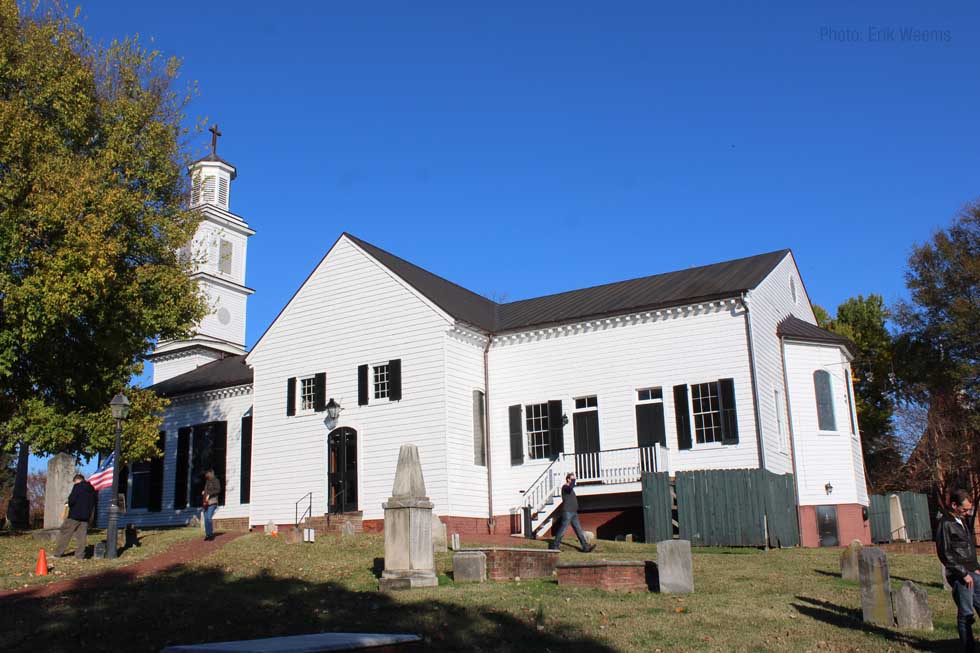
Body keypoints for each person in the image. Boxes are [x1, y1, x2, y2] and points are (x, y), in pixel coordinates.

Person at [937, 488, 980, 652]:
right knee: (966, 614)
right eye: (964, 509)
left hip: (973, 572)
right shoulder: (945, 523)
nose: (967, 512)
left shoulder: (962, 522)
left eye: (969, 509)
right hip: (961, 575)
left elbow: (968, 550)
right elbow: (945, 553)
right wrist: (962, 573)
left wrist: (976, 569)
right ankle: (969, 649)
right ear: (954, 505)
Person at [52, 473, 97, 559]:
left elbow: (72, 500)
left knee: (65, 533)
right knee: (81, 537)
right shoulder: (92, 489)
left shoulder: (77, 487)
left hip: (74, 515)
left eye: (74, 482)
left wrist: (69, 504)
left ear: (77, 480)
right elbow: (94, 503)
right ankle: (80, 555)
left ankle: (58, 553)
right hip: (86, 517)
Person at [549, 472, 595, 552]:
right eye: (572, 479)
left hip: (574, 513)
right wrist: (573, 482)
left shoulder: (570, 488)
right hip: (567, 512)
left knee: (579, 530)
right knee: (563, 529)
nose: (574, 480)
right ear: (568, 479)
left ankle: (585, 547)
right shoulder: (565, 487)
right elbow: (570, 488)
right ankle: (555, 546)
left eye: (574, 479)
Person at [201, 469, 221, 541]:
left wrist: (209, 493)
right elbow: (206, 491)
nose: (206, 475)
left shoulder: (216, 480)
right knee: (206, 518)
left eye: (207, 473)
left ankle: (211, 534)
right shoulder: (207, 481)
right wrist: (204, 492)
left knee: (209, 517)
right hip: (206, 503)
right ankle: (207, 534)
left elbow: (218, 490)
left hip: (213, 502)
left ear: (211, 473)